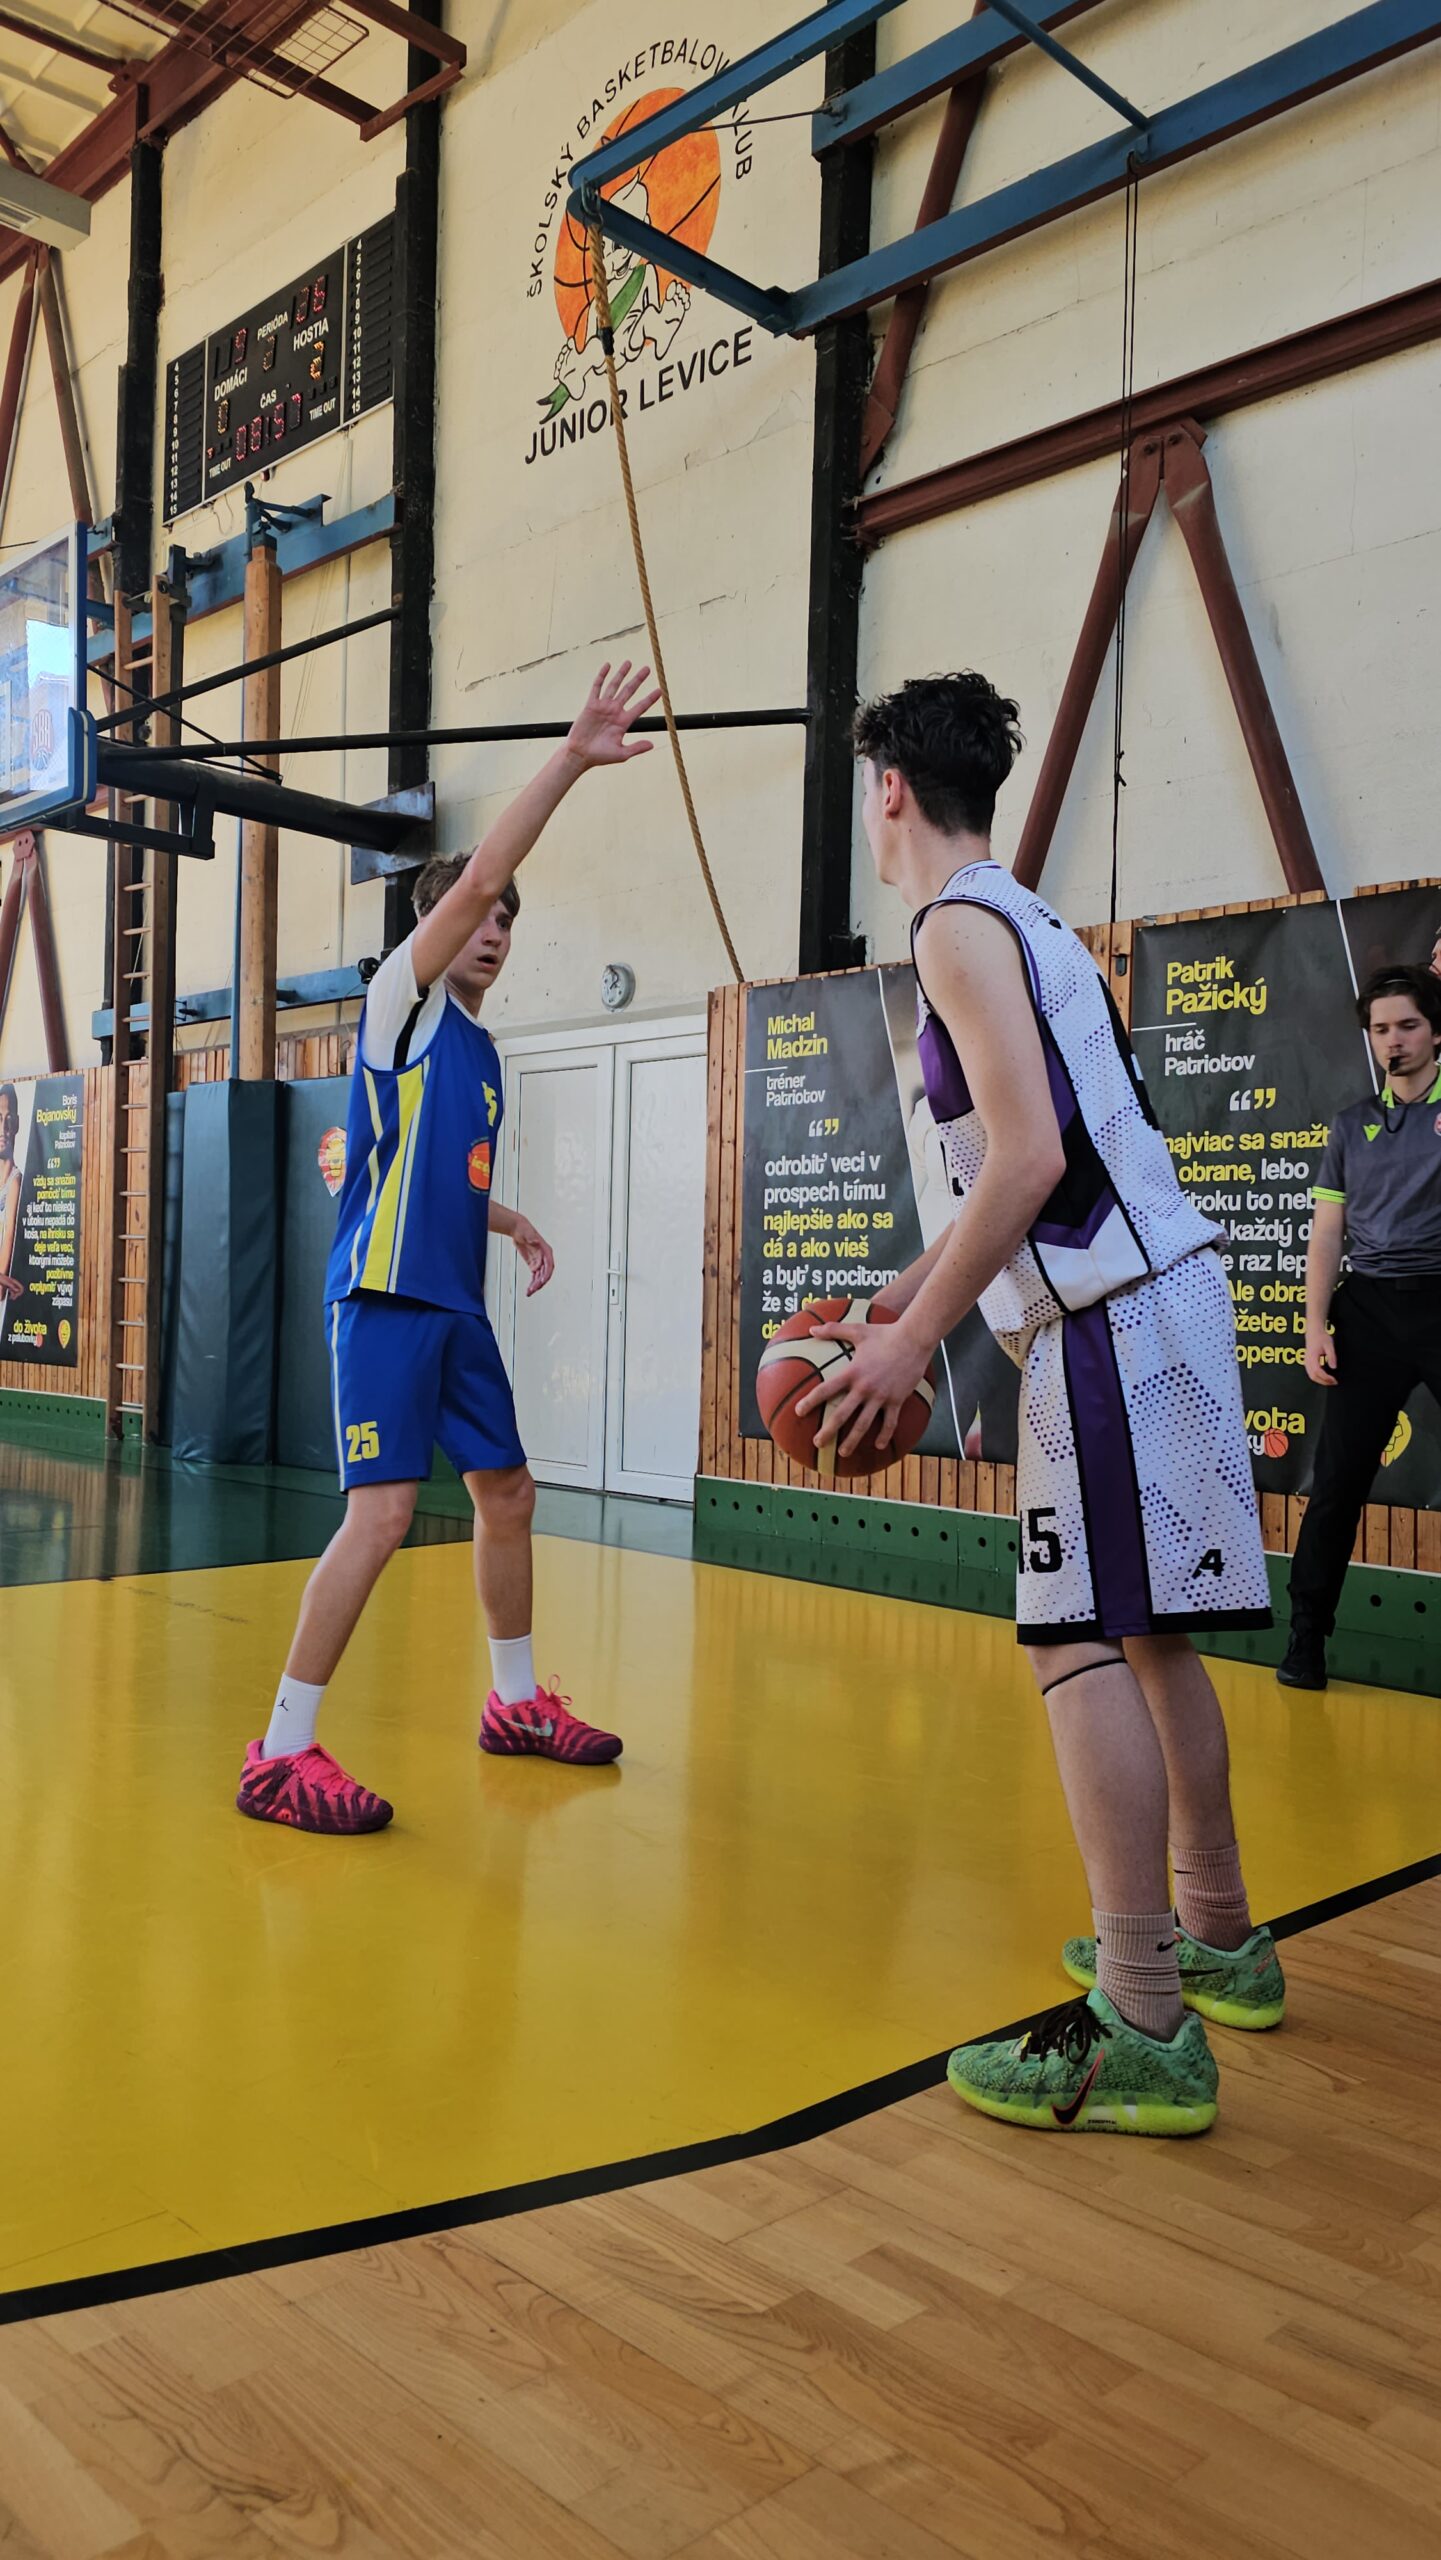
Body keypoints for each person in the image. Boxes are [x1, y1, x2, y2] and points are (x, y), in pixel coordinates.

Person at [800, 672, 1284, 2137]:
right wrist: (899, 1294)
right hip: (1161, 1294)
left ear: (888, 787)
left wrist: (910, 1346)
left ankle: (1141, 2016)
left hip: (1110, 1322)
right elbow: (1022, 1171)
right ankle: (1215, 1935)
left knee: (1073, 1639)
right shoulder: (1023, 917)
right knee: (1148, 1633)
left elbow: (1025, 1163)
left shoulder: (950, 929)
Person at [237, 661, 660, 1835]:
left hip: (454, 1306)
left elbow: (434, 1179)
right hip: (382, 1300)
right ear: (440, 928)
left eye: (509, 920)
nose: (494, 927)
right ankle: (280, 1751)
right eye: (482, 914)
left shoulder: (479, 1055)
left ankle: (514, 1704)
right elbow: (473, 876)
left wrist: (509, 1220)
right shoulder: (402, 1004)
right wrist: (570, 756)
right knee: (379, 1517)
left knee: (507, 1491)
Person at [1279, 964, 1441, 1690]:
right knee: (1337, 1484)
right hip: (1367, 1312)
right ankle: (1305, 1639)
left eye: (1407, 1025)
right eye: (1380, 1029)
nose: (1393, 1041)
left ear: (1434, 1032)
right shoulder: (1350, 1125)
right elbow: (1326, 1231)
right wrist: (1314, 1325)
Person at [0, 1082, 21, 1306]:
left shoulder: (14, 1182)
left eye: (8, 1119)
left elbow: (8, 1237)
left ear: (17, 1124)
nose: (3, 1129)